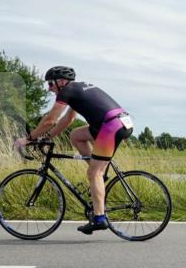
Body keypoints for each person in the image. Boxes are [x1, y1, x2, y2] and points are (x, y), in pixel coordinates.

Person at [14, 66, 134, 234]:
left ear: (61, 82)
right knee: (76, 135)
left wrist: (29, 139)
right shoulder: (76, 90)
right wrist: (47, 137)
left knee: (94, 173)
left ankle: (99, 218)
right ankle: (99, 173)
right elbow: (68, 120)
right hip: (116, 122)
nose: (49, 88)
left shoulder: (67, 91)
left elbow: (50, 120)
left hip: (111, 126)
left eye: (50, 83)